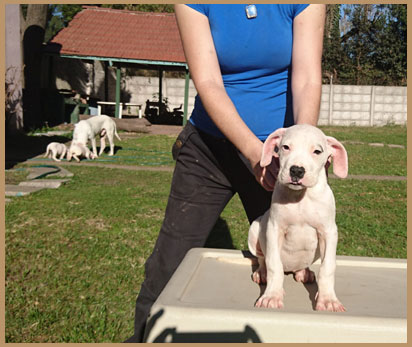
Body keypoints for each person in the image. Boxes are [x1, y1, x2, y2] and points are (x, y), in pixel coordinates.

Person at [125, 4, 325, 342]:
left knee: (297, 263)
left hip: (281, 155)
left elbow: (306, 77)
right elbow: (208, 82)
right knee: (166, 265)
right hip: (208, 150)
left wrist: (298, 148)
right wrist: (252, 152)